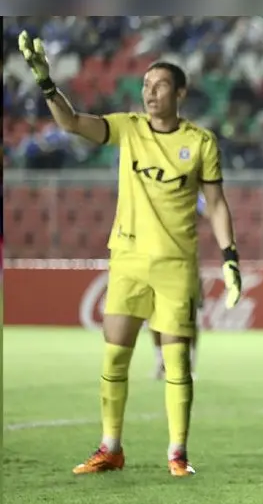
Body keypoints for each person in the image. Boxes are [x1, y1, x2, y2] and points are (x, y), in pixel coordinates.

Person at [18, 31, 243, 477]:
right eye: (145, 84)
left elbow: (216, 204)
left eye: (159, 85)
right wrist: (47, 83)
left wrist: (231, 257)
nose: (149, 92)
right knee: (114, 356)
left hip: (176, 264)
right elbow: (72, 123)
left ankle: (178, 455)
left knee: (177, 360)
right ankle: (110, 448)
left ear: (180, 93)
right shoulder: (128, 127)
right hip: (127, 260)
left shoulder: (200, 142)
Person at [151, 192, 207, 380]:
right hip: (160, 261)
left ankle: (189, 363)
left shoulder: (190, 192)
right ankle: (161, 361)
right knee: (156, 315)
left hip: (186, 262)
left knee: (190, 316)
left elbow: (203, 210)